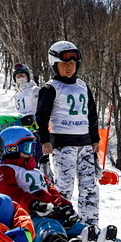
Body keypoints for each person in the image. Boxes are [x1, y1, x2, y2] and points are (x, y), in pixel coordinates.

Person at [36, 40, 99, 225]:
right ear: (55, 65)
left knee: (90, 187)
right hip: (63, 145)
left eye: (72, 63)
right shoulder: (50, 88)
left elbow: (92, 115)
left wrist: (95, 139)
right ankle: (63, 223)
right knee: (64, 187)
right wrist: (45, 140)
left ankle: (90, 225)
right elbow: (41, 116)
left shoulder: (83, 86)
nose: (69, 67)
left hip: (85, 144)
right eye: (64, 64)